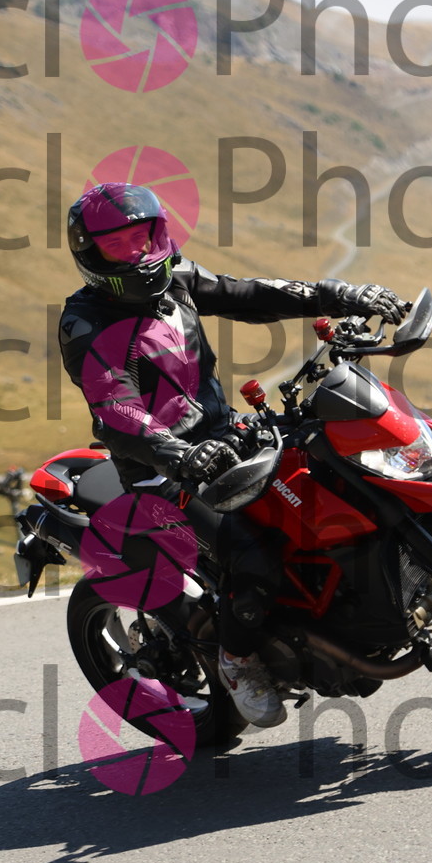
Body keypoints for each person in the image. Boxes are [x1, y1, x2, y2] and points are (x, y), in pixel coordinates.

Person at [57, 182, 405, 728]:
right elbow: (115, 408)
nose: (135, 253)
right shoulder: (85, 322)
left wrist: (343, 296)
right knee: (254, 556)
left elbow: (250, 294)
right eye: (116, 245)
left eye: (141, 237)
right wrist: (178, 454)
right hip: (163, 474)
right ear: (91, 254)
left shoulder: (176, 279)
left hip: (229, 438)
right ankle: (239, 661)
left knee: (338, 486)